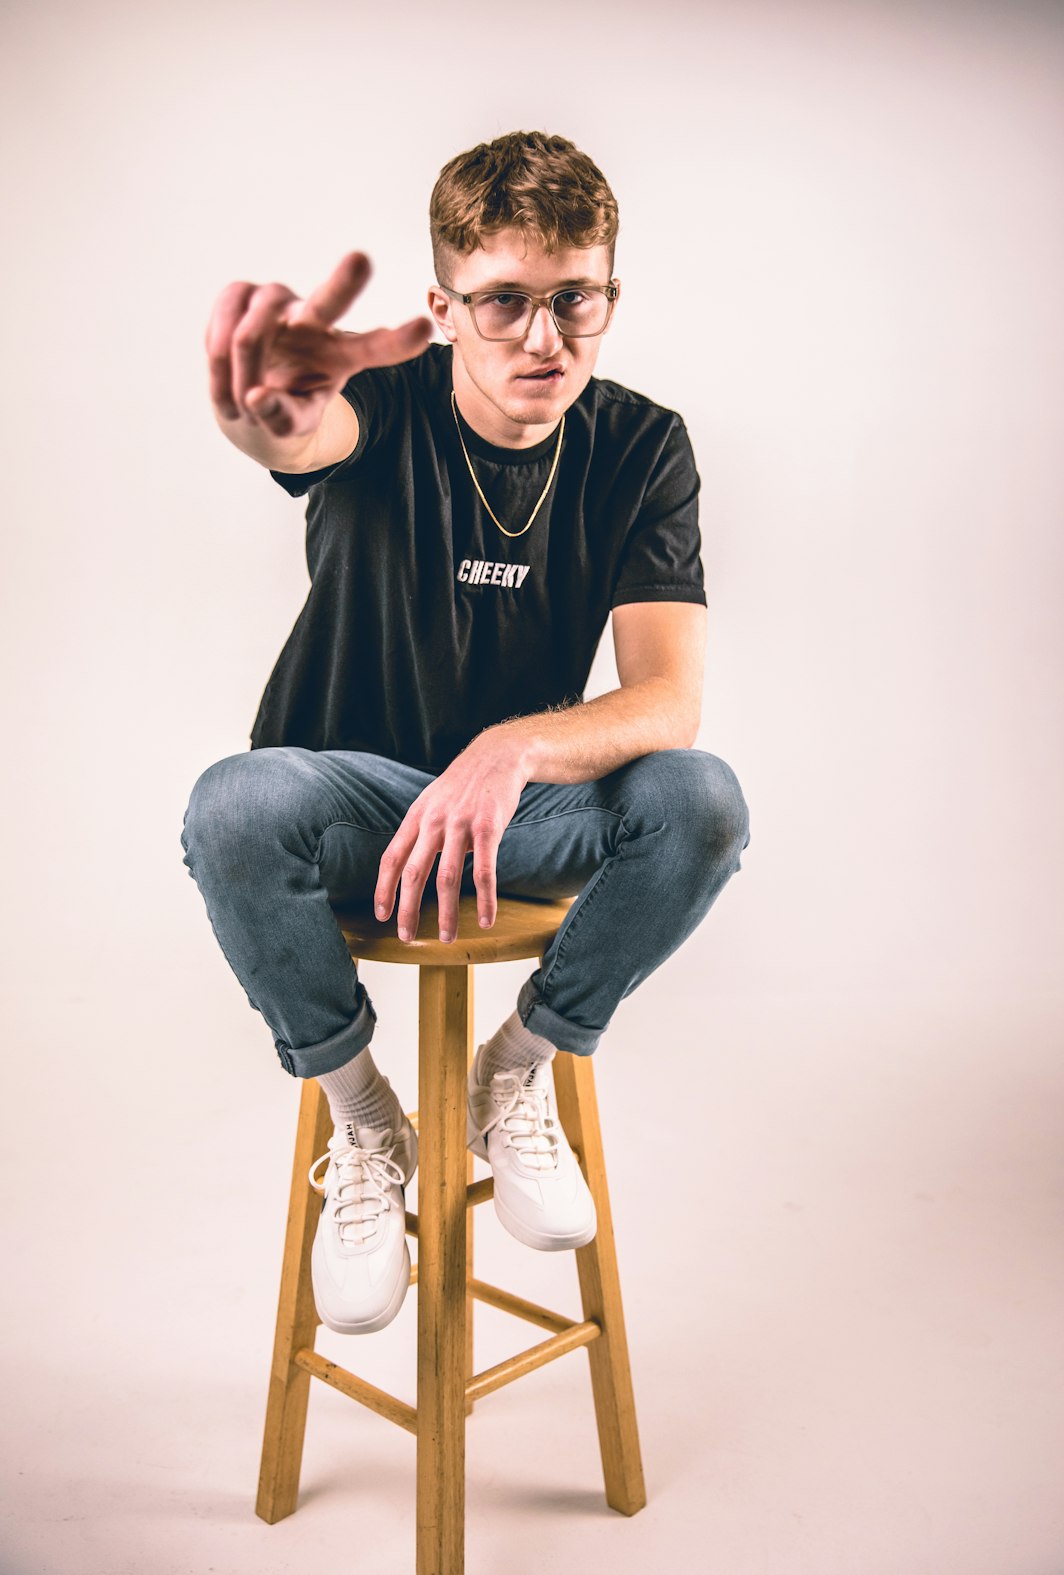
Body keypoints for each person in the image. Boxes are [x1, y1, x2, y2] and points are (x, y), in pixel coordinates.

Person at [181, 130, 751, 1337]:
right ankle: (364, 1120)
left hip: (516, 813)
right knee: (232, 805)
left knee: (700, 799)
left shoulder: (644, 446)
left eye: (573, 300)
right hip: (351, 806)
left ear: (609, 293)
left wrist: (513, 749)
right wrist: (262, 419)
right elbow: (299, 434)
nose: (543, 340)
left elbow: (667, 702)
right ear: (445, 306)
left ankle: (518, 1072)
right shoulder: (376, 409)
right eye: (503, 303)